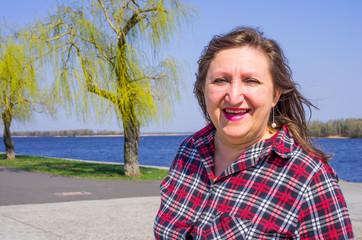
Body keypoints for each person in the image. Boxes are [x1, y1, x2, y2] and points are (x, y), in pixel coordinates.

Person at [154, 27, 354, 239]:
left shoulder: (308, 179)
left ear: (275, 95)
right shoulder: (190, 151)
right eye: (220, 80)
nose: (233, 96)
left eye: (251, 81)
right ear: (203, 90)